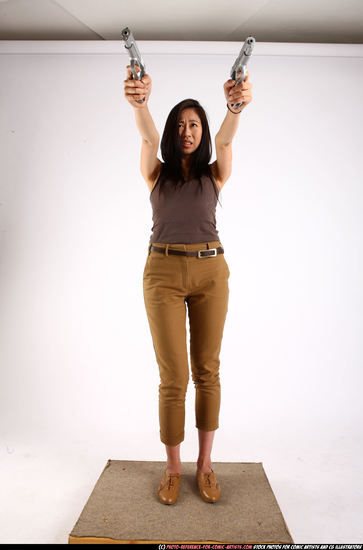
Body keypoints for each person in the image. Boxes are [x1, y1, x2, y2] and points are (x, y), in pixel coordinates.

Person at [123, 64, 253, 505]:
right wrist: (141, 103)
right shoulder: (155, 173)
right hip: (161, 273)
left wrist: (234, 107)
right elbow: (144, 135)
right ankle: (174, 469)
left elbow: (227, 139)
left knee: (207, 371)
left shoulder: (214, 175)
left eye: (194, 124)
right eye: (179, 124)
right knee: (173, 376)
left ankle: (205, 467)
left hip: (210, 272)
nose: (186, 131)